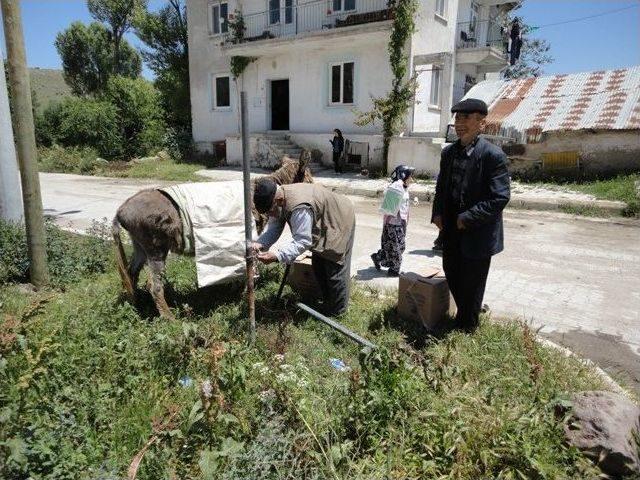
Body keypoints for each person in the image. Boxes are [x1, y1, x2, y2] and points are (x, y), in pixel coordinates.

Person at [431, 98, 510, 332]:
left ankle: (467, 327)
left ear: (481, 123)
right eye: (457, 118)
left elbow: (500, 197)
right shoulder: (449, 153)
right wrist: (437, 212)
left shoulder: (493, 156)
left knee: (473, 283)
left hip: (477, 230)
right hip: (451, 227)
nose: (460, 123)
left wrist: (468, 217)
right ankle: (464, 315)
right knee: (452, 271)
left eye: (466, 118)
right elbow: (441, 188)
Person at [252, 179, 356, 316]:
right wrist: (261, 243)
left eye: (270, 211)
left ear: (278, 200)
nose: (269, 215)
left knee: (334, 267)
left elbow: (302, 241)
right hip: (323, 218)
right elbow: (275, 227)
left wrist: (277, 256)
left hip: (339, 219)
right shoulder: (278, 199)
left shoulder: (298, 206)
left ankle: (338, 314)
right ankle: (327, 305)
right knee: (318, 264)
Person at [370, 165, 415, 277]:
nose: (412, 180)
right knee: (396, 249)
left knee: (398, 247)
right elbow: (389, 206)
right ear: (403, 176)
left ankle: (378, 257)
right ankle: (394, 270)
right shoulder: (396, 186)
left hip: (401, 223)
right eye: (410, 176)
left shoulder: (403, 187)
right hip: (393, 224)